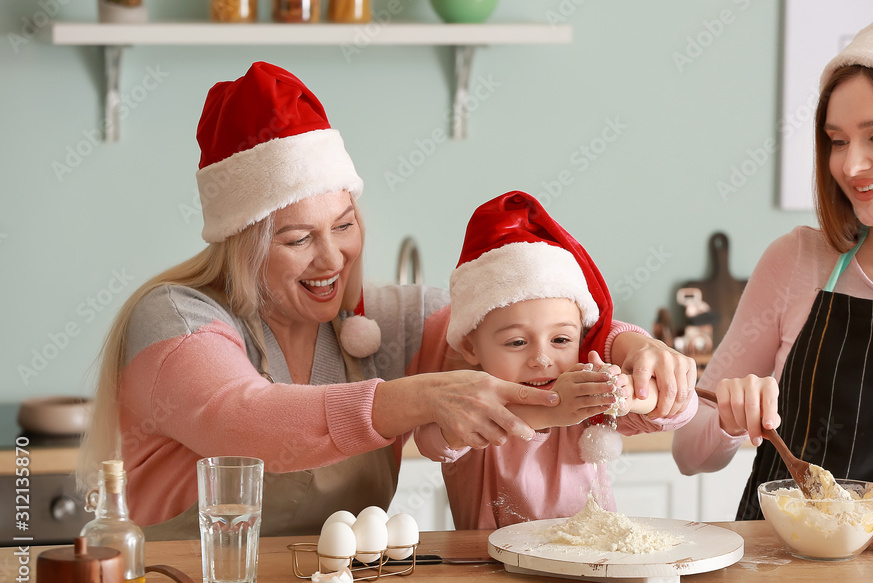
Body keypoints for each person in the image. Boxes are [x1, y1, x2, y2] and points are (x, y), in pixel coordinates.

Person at [77, 62, 695, 539]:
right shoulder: (175, 317)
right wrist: (421, 397)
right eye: (298, 239)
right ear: (243, 246)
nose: (332, 259)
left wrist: (625, 342)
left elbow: (510, 322)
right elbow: (245, 420)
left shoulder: (381, 324)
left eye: (344, 226)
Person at [673, 8, 873, 549]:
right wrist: (731, 415)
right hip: (777, 569)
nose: (851, 166)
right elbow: (691, 454)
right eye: (837, 140)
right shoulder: (799, 259)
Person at [412, 191, 697, 529]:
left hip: (589, 565)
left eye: (561, 339)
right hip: (486, 568)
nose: (541, 358)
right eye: (517, 342)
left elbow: (683, 407)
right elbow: (431, 441)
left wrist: (623, 394)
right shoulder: (466, 402)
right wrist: (549, 410)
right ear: (471, 349)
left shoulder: (586, 400)